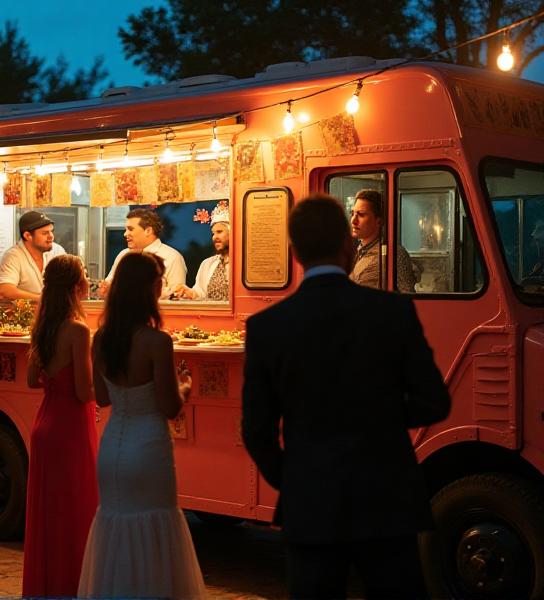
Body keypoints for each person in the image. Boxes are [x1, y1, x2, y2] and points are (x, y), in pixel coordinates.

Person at [241, 194, 451, 599]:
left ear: (295, 253)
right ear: (347, 245)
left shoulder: (268, 327)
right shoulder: (393, 312)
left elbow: (255, 429)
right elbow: (433, 401)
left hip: (311, 498)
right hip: (387, 494)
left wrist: (291, 476)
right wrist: (380, 417)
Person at [78, 252, 206, 600]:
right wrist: (185, 387)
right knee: (154, 529)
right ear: (149, 289)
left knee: (116, 526)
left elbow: (103, 398)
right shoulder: (157, 342)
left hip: (112, 447)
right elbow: (168, 406)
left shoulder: (100, 339)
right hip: (149, 447)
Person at [23, 254, 99, 598]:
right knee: (75, 508)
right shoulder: (79, 329)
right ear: (76, 285)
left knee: (49, 514)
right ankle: (72, 585)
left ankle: (47, 585)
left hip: (45, 423)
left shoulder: (43, 327)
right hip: (70, 427)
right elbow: (85, 391)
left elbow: (31, 380)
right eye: (83, 274)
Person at [101, 208, 187, 299]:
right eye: (125, 230)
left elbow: (177, 297)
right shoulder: (123, 255)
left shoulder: (172, 257)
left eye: (130, 229)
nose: (125, 234)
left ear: (148, 231)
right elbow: (108, 286)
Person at [350, 189, 417, 293]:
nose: (353, 220)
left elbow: (408, 294)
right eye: (352, 213)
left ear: (378, 221)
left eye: (361, 214)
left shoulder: (394, 253)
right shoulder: (357, 252)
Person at [0, 210, 66, 301]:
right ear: (27, 235)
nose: (51, 236)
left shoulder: (57, 251)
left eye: (51, 231)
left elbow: (72, 281)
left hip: (57, 313)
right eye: (45, 233)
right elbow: (3, 291)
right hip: (25, 314)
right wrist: (43, 300)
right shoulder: (13, 256)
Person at [173, 202, 230, 301]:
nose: (215, 237)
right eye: (213, 233)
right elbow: (200, 293)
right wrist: (189, 293)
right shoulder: (207, 264)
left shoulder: (244, 265)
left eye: (219, 232)